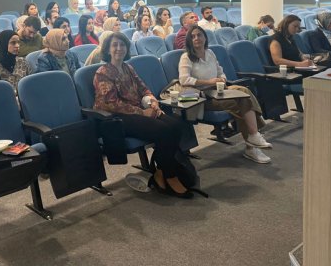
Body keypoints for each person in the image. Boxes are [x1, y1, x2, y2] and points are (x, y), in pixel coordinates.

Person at [93, 32, 191, 198]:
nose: (119, 48)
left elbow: (143, 88)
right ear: (108, 50)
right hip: (118, 118)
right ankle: (170, 176)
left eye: (122, 45)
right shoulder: (103, 73)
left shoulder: (128, 68)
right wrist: (142, 112)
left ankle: (160, 172)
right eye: (115, 45)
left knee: (176, 125)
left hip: (139, 111)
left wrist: (153, 101)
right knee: (163, 131)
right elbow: (110, 104)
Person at [179, 25, 272, 164]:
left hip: (218, 90)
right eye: (192, 36)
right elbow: (184, 80)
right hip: (203, 97)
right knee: (241, 102)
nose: (196, 38)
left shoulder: (210, 53)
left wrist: (222, 79)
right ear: (189, 40)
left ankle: (253, 139)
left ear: (205, 37)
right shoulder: (186, 57)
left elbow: (220, 72)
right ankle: (253, 141)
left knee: (244, 92)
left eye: (199, 35)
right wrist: (208, 81)